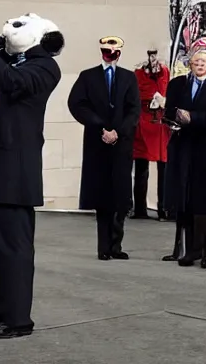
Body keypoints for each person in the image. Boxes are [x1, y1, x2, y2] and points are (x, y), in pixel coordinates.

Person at [0, 13, 63, 339]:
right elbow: (4, 62)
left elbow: (9, 80)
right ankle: (2, 313)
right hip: (5, 170)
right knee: (2, 248)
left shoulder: (45, 67)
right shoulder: (22, 61)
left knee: (15, 248)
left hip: (18, 173)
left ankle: (18, 320)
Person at [68, 36, 141, 260]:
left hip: (121, 144)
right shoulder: (88, 76)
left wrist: (118, 131)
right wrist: (100, 127)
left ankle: (116, 246)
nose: (110, 54)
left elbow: (134, 109)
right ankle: (103, 248)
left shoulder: (128, 78)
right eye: (106, 50)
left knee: (119, 196)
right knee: (102, 196)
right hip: (97, 143)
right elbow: (77, 104)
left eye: (114, 51)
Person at [162, 42, 206, 269]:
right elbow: (169, 112)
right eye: (195, 61)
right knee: (187, 200)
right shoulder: (178, 85)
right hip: (184, 148)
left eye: (203, 61)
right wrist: (173, 121)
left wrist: (194, 118)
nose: (199, 64)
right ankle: (190, 251)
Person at [132, 49, 170, 220]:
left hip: (160, 123)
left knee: (163, 168)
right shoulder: (139, 75)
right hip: (144, 122)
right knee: (141, 168)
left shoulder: (164, 73)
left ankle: (163, 208)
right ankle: (140, 208)